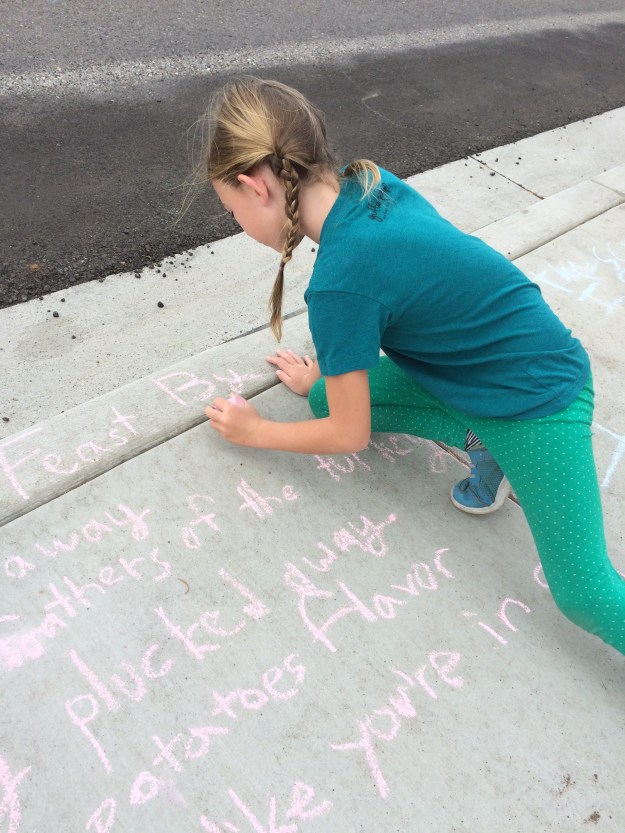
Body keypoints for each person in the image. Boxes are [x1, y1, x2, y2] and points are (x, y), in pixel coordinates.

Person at [202, 76, 625, 657]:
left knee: (583, 592)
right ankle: (484, 444)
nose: (238, 223)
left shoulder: (338, 283)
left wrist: (256, 432)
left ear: (257, 187)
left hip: (539, 402)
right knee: (323, 397)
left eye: (232, 211)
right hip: (483, 369)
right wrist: (323, 378)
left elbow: (348, 435)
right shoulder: (369, 181)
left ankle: (496, 442)